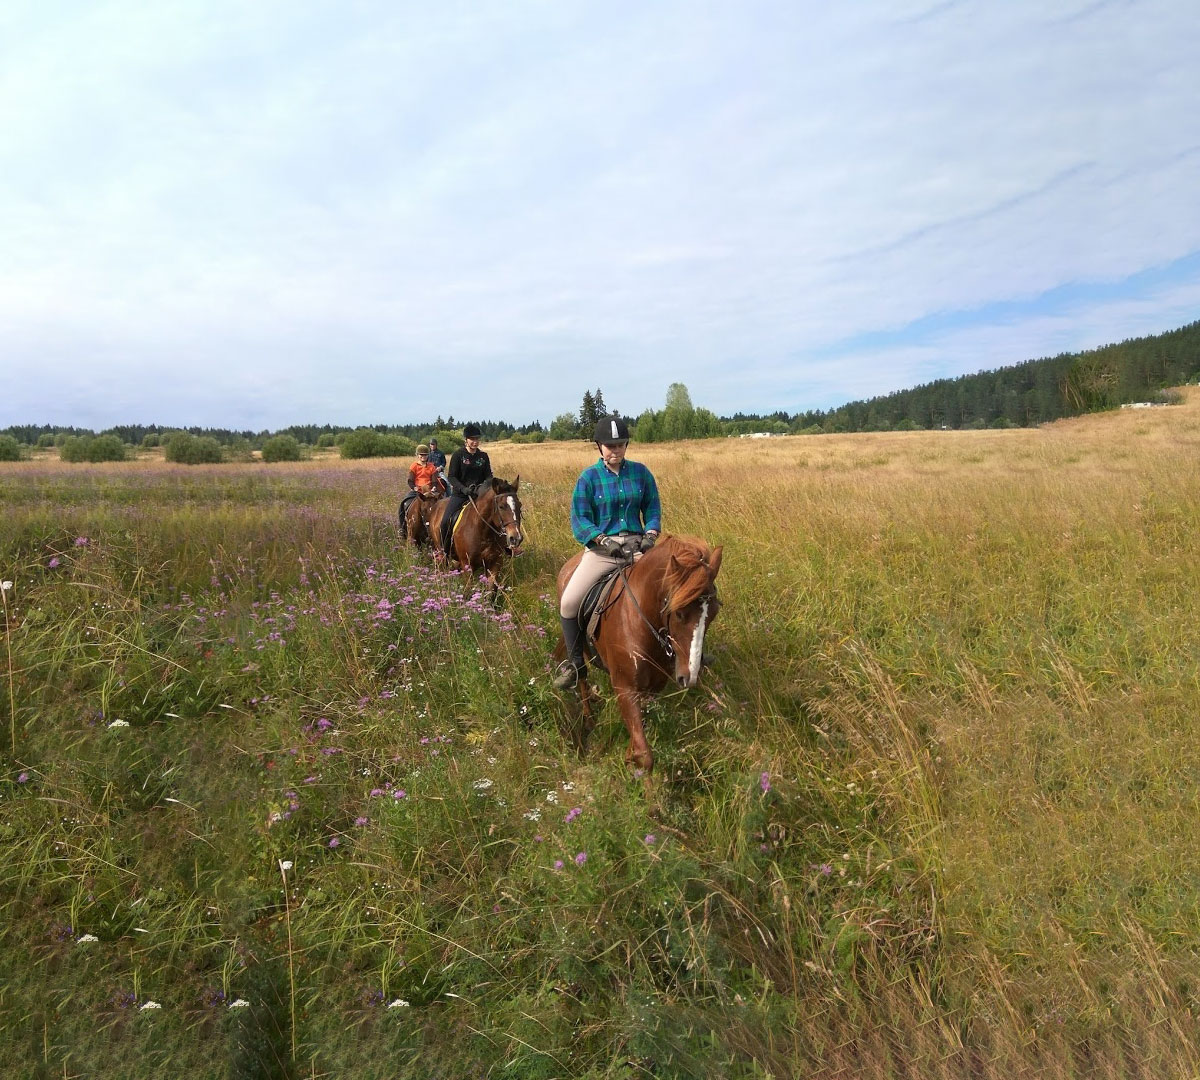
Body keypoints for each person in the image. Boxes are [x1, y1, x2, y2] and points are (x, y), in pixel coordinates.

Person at [554, 415, 661, 689]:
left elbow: (652, 508)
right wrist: (601, 539)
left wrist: (650, 534)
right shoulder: (588, 478)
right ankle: (576, 664)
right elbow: (580, 518)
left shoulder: (641, 473)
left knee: (675, 588)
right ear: (599, 447)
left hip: (638, 546)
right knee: (569, 602)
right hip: (603, 551)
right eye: (610, 446)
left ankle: (685, 655)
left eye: (620, 445)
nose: (615, 450)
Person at [440, 423, 493, 555]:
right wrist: (464, 489)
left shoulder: (483, 456)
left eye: (477, 439)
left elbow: (489, 476)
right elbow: (452, 477)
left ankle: (506, 548)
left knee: (499, 516)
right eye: (472, 439)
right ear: (466, 440)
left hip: (480, 495)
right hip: (460, 494)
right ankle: (444, 552)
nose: (475, 442)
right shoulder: (458, 455)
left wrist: (485, 486)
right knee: (445, 521)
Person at [399, 444, 446, 539]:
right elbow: (410, 480)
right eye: (421, 455)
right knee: (404, 503)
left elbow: (434, 480)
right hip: (418, 490)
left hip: (429, 490)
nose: (423, 456)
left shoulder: (431, 466)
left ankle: (443, 528)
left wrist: (433, 488)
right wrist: (415, 488)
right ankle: (402, 528)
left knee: (443, 503)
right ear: (417, 455)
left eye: (425, 455)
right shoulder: (414, 466)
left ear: (428, 455)